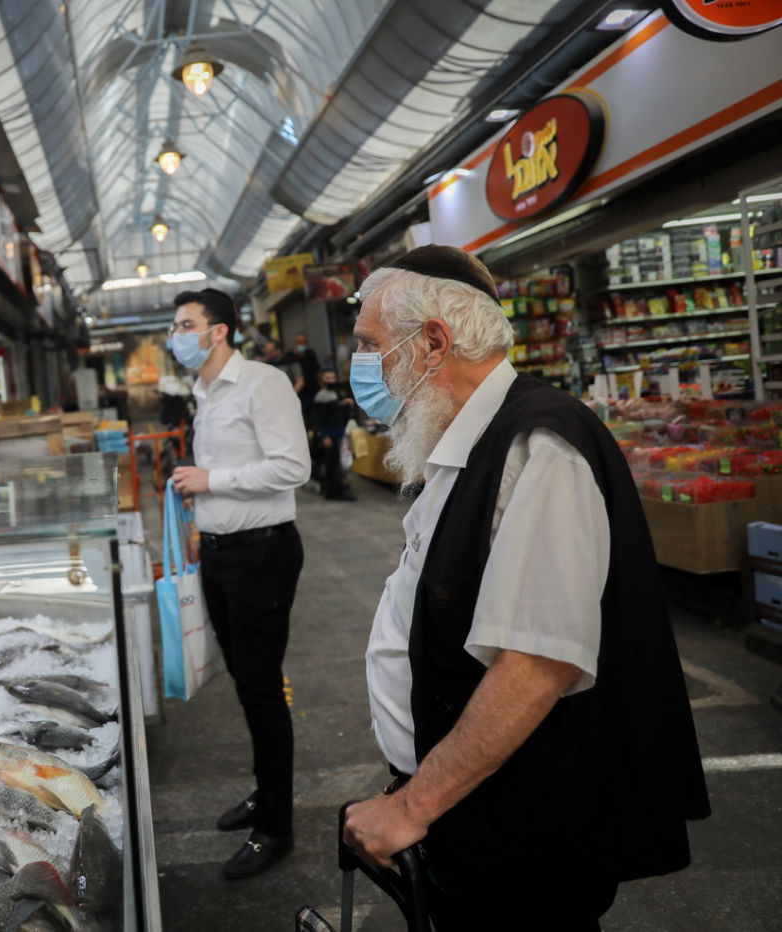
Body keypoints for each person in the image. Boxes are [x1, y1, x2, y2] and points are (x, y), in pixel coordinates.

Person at [341, 246, 709, 930]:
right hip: (468, 811)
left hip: (521, 836)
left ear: (432, 343)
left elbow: (537, 663)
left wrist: (411, 808)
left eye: (369, 343)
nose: (361, 363)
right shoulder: (464, 441)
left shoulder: (539, 446)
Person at [167, 288, 311, 880]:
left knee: (261, 688)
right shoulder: (202, 391)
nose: (175, 334)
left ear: (218, 331)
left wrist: (210, 479)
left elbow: (291, 467)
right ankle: (265, 790)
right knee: (246, 682)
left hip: (263, 557)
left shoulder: (262, 383)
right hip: (223, 557)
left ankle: (276, 825)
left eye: (185, 324)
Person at [311, 368, 356, 500]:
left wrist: (344, 403)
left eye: (332, 378)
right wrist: (324, 435)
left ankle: (337, 488)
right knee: (331, 464)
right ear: (322, 380)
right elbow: (319, 418)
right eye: (328, 378)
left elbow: (333, 409)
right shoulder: (321, 396)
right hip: (329, 435)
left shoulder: (334, 394)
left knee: (337, 463)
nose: (331, 380)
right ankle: (333, 491)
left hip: (337, 433)